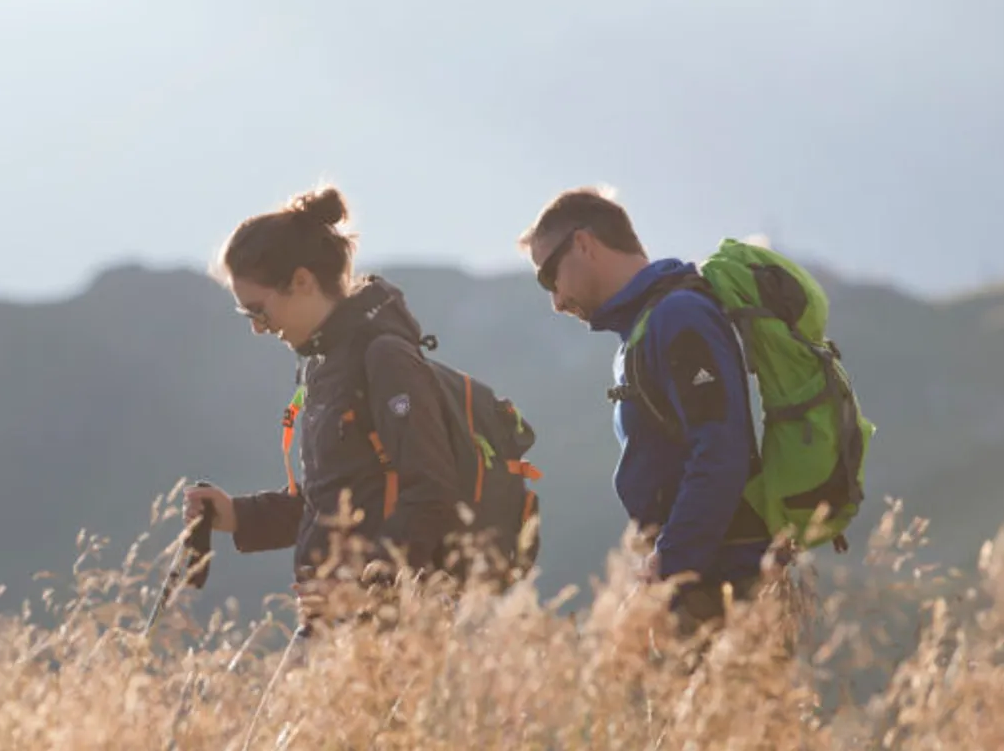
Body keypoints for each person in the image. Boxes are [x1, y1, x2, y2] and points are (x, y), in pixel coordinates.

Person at [184, 185, 467, 635]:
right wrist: (237, 516)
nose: (258, 328)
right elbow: (332, 503)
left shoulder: (384, 356)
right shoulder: (323, 366)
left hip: (391, 623)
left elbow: (431, 490)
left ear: (301, 281)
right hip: (338, 620)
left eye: (257, 310)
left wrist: (367, 590)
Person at [519, 186, 786, 634]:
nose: (557, 301)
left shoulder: (678, 316)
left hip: (722, 592)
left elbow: (721, 451)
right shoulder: (644, 329)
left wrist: (668, 574)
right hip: (698, 585)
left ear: (583, 244)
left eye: (550, 277)